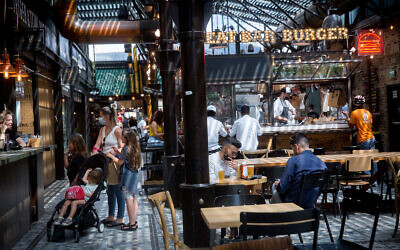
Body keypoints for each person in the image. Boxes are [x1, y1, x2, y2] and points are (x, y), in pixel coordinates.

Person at [271, 133, 327, 209]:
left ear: (296, 147)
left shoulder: (293, 161)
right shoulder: (321, 163)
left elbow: (282, 188)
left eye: (292, 149)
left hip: (293, 205)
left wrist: (279, 184)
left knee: (274, 187)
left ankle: (277, 218)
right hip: (311, 205)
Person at [93, 106, 125, 227]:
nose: (100, 118)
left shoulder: (117, 130)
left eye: (101, 116)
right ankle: (111, 216)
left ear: (107, 116)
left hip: (114, 162)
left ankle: (120, 217)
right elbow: (97, 144)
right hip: (105, 162)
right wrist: (94, 152)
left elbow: (122, 147)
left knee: (117, 189)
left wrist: (113, 152)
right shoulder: (102, 129)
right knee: (110, 190)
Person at [106, 129, 141, 231]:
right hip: (134, 174)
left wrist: (111, 156)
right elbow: (126, 158)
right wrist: (117, 152)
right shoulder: (134, 147)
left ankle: (131, 223)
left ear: (126, 138)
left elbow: (120, 162)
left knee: (128, 198)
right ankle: (134, 221)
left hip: (127, 175)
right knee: (133, 197)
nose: (120, 138)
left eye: (122, 137)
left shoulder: (126, 148)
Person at [342, 95, 377, 174]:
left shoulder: (354, 113)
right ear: (363, 104)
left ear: (354, 104)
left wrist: (347, 116)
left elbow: (351, 126)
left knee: (364, 160)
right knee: (373, 158)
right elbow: (369, 125)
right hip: (371, 138)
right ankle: (375, 179)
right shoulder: (368, 112)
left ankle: (367, 179)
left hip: (363, 139)